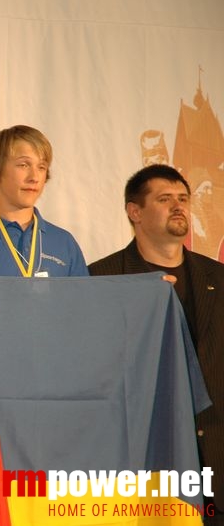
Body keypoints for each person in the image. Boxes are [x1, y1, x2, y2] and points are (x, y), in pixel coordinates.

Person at [89, 164, 224, 522]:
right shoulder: (100, 279)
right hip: (142, 462)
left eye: (183, 199)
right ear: (135, 212)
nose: (178, 206)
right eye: (164, 199)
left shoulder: (219, 278)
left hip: (215, 460)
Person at [0, 125, 88, 276]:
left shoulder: (64, 243)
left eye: (41, 167)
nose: (34, 177)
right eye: (23, 165)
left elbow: (84, 299)